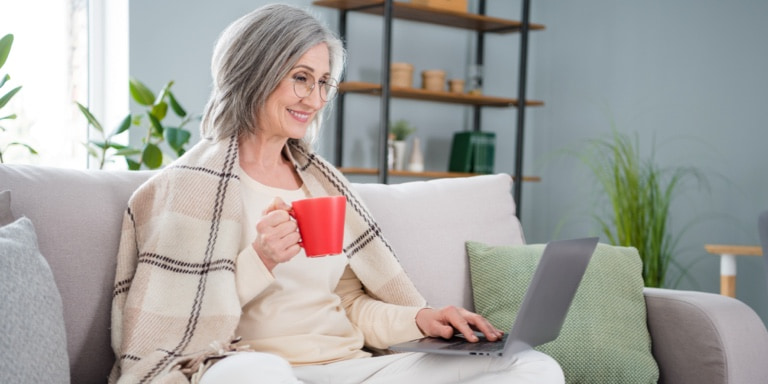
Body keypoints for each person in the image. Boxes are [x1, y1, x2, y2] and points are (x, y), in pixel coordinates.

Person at [109, 4, 565, 384]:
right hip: (254, 365)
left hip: (350, 366)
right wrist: (260, 259)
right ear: (254, 72)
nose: (315, 98)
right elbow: (179, 323)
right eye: (301, 78)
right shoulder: (187, 187)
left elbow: (349, 303)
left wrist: (420, 320)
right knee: (256, 376)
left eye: (324, 82)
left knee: (531, 366)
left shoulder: (321, 182)